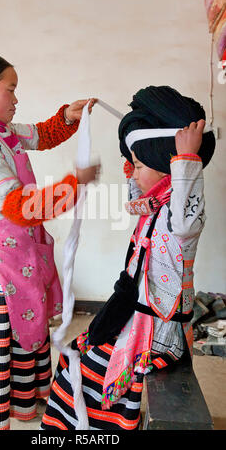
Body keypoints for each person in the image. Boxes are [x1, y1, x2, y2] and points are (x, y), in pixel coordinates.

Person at [40, 85, 216, 430]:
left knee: (92, 375)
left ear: (170, 164)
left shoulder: (184, 218)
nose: (133, 172)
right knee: (72, 356)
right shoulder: (159, 201)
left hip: (156, 333)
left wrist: (188, 159)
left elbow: (182, 213)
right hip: (130, 311)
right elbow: (135, 203)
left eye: (138, 165)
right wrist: (132, 174)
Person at [0, 50, 99, 430]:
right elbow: (16, 205)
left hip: (18, 251)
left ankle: (20, 406)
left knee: (23, 332)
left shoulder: (0, 130)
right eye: (10, 90)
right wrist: (73, 185)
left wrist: (68, 117)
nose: (16, 100)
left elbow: (43, 134)